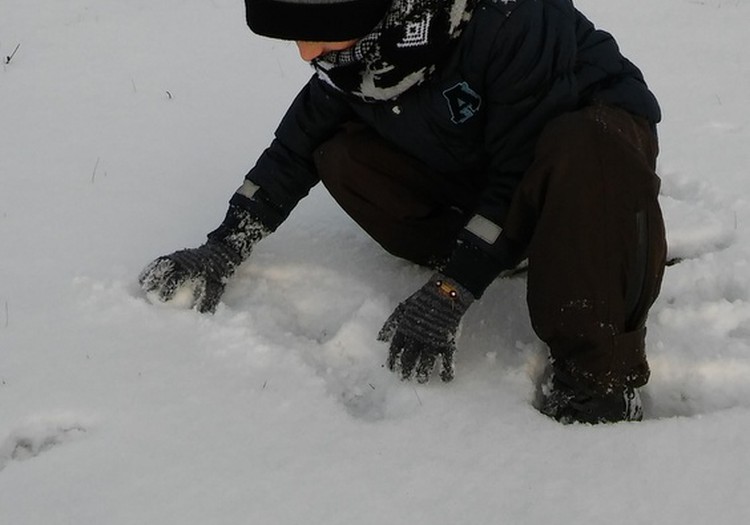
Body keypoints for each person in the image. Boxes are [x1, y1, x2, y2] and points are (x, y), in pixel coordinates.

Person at [139, 0, 666, 424]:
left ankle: (600, 383)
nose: (305, 55)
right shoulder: (364, 50)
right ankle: (494, 253)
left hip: (581, 171)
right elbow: (295, 147)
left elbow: (518, 168)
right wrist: (224, 244)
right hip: (477, 160)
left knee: (588, 146)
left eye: (316, 33)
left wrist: (453, 288)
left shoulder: (511, 20)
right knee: (341, 153)